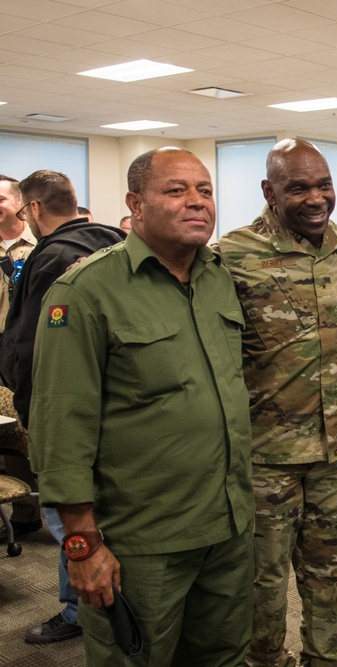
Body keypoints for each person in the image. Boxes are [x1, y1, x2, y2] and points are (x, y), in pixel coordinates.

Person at [29, 147, 255, 666]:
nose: (197, 202)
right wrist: (82, 547)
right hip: (143, 542)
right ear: (134, 204)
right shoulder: (85, 291)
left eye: (205, 191)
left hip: (227, 528)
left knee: (224, 657)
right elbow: (61, 427)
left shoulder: (218, 277)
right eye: (176, 191)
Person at [217, 138, 337, 667]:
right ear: (269, 190)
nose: (316, 198)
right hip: (264, 457)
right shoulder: (230, 256)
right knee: (260, 586)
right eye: (299, 187)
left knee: (335, 575)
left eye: (324, 184)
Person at [0, 170, 125, 645]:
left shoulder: (51, 258)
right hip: (112, 408)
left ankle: (80, 611)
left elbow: (34, 348)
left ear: (32, 210)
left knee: (68, 511)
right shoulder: (115, 244)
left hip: (62, 411)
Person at [0, 174, 38, 539]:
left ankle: (30, 510)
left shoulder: (39, 245)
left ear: (19, 203)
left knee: (25, 428)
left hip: (25, 350)